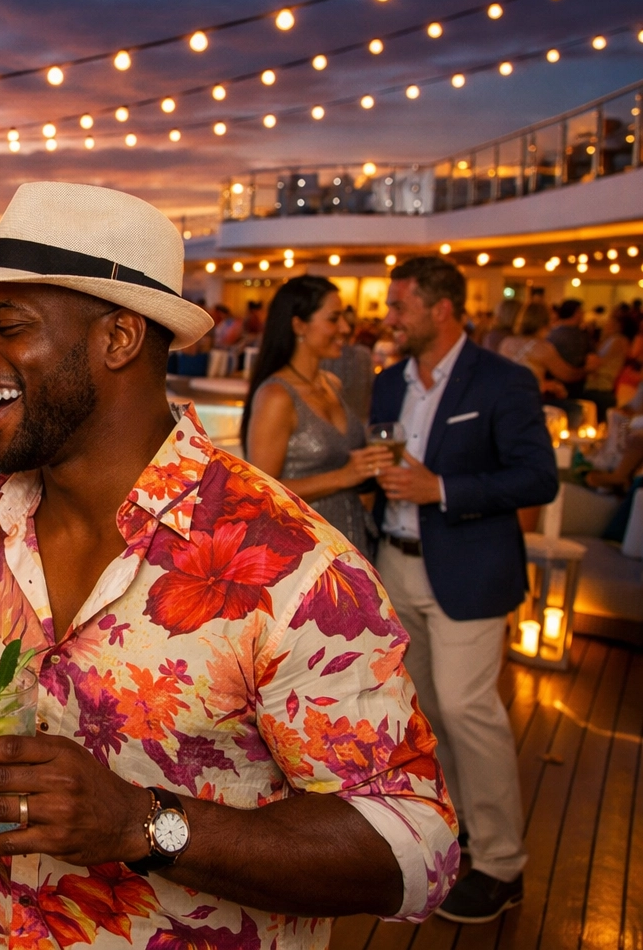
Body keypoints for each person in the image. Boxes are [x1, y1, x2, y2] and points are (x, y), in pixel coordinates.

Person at [0, 183, 456, 949]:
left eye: (7, 325)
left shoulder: (294, 568)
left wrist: (145, 824)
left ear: (119, 338)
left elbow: (416, 846)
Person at [371, 256, 559, 924]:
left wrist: (442, 490)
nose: (390, 318)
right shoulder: (390, 383)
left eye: (400, 306)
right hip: (397, 562)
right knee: (426, 710)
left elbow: (538, 478)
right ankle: (461, 831)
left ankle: (503, 864)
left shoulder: (503, 381)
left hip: (469, 570)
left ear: (440, 308)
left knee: (467, 707)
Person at [244, 276, 390, 551]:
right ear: (299, 324)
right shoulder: (277, 396)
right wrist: (343, 476)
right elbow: (260, 492)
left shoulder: (331, 383)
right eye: (334, 319)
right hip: (305, 549)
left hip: (350, 540)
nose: (346, 328)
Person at [499, 302, 587, 402]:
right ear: (546, 322)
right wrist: (587, 369)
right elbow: (568, 375)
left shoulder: (506, 342)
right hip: (529, 403)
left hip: (506, 400)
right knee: (583, 408)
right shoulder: (542, 347)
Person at [582, 306, 631, 413]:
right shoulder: (614, 340)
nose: (605, 324)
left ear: (617, 325)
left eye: (609, 321)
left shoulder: (618, 341)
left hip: (601, 387)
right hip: (601, 386)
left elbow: (598, 362)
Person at [546, 299, 590, 399]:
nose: (583, 314)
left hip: (556, 385)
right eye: (581, 311)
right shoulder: (580, 335)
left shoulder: (551, 333)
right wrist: (585, 371)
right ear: (576, 313)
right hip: (569, 384)